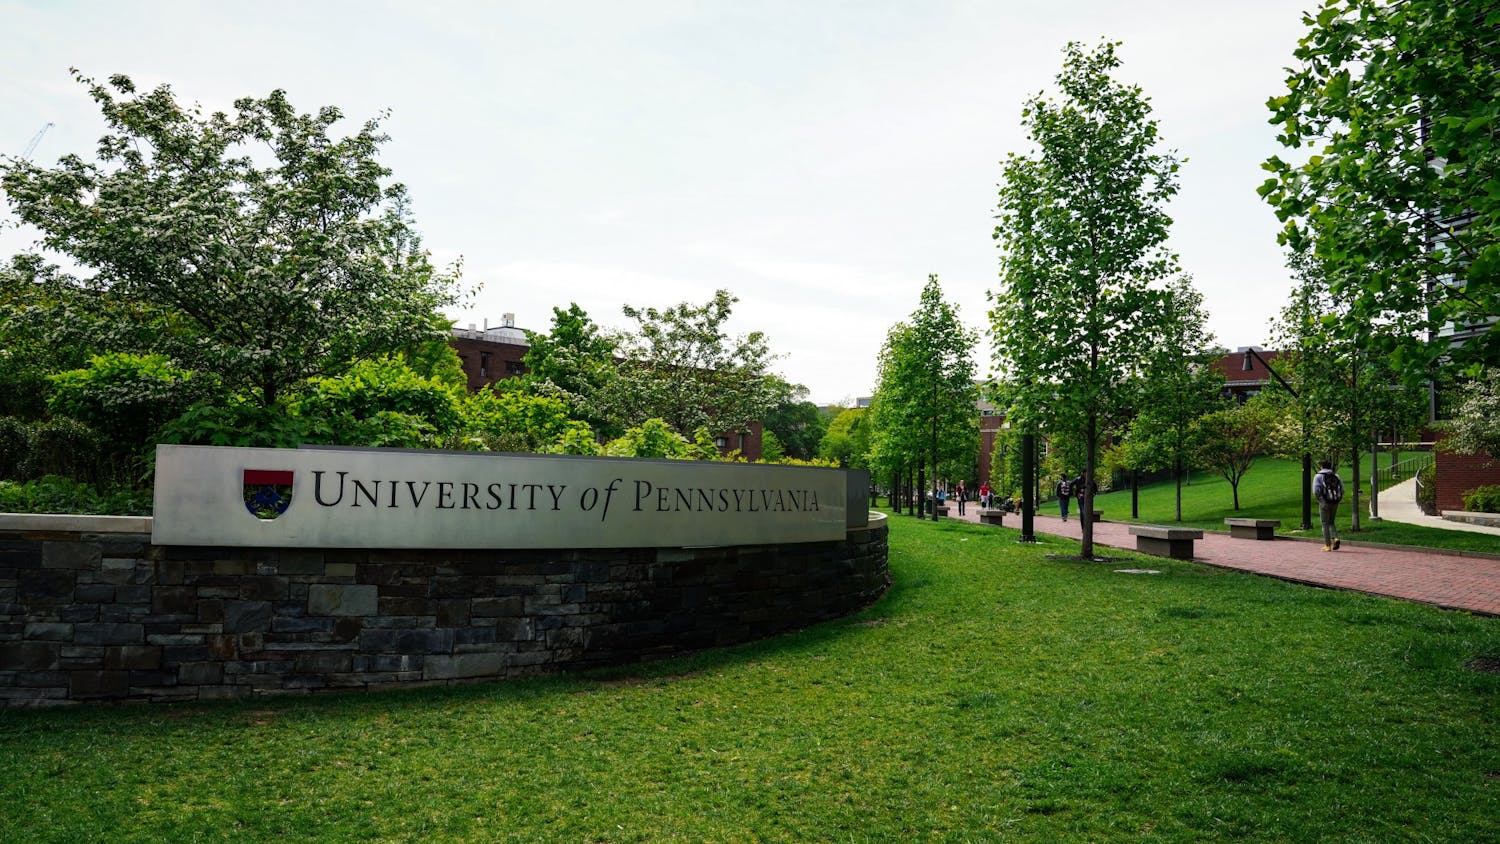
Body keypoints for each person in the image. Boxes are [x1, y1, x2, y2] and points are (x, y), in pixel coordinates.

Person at [1312, 460, 1344, 551]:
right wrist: (1338, 499)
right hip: (1335, 502)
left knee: (1325, 523)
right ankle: (1336, 538)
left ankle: (1327, 545)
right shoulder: (1336, 476)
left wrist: (1320, 500)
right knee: (1331, 522)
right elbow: (1342, 489)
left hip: (1324, 502)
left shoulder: (1318, 476)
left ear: (1321, 466)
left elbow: (1315, 491)